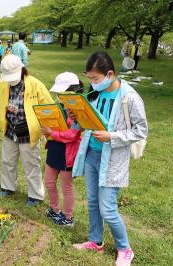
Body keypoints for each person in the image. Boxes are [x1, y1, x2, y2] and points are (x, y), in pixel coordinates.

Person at [69, 52, 148, 266]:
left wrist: (111, 136)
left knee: (108, 208)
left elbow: (141, 130)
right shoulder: (94, 94)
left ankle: (125, 249)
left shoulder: (129, 97)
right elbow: (86, 123)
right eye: (90, 79)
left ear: (110, 74)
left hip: (112, 160)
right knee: (93, 203)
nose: (92, 83)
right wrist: (76, 118)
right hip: (92, 156)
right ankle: (96, 241)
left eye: (95, 79)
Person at [0, 55, 54, 206]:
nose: (10, 80)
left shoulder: (36, 85)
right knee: (7, 160)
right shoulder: (3, 85)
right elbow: (2, 102)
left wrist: (48, 129)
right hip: (10, 129)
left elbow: (49, 108)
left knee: (31, 163)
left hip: (28, 131)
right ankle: (7, 187)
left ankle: (36, 195)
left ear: (22, 69)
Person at [41, 72, 83, 226]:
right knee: (49, 182)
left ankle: (68, 217)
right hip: (54, 149)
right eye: (59, 93)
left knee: (66, 187)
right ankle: (54, 209)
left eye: (63, 92)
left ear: (73, 90)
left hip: (68, 154)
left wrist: (52, 133)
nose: (60, 96)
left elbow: (73, 134)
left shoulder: (79, 111)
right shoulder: (57, 107)